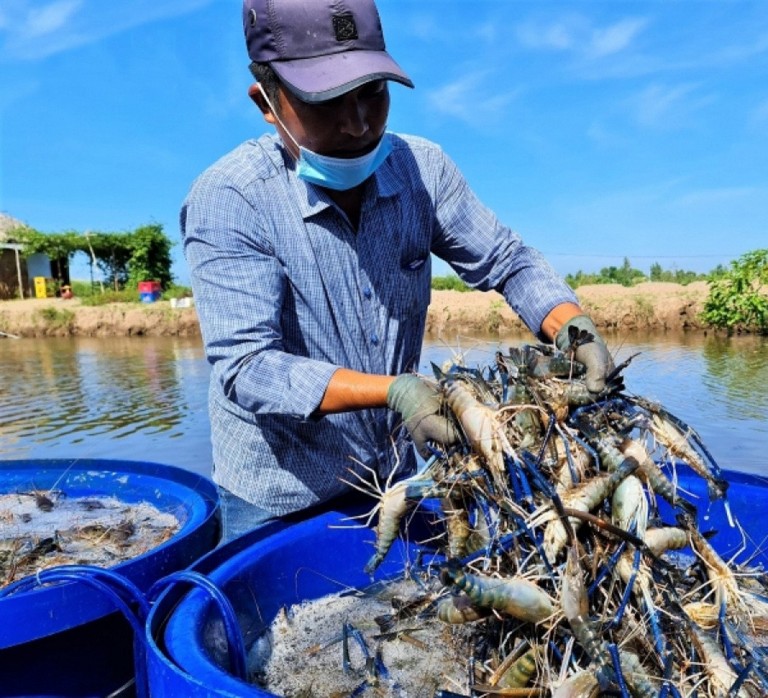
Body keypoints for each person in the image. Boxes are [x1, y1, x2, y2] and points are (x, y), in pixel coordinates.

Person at [181, 0, 613, 542]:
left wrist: (574, 328)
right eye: (327, 102)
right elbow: (248, 367)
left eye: (372, 93)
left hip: (396, 473)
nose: (358, 123)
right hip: (280, 494)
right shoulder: (231, 199)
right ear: (267, 103)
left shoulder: (422, 171)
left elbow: (509, 260)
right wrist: (398, 391)